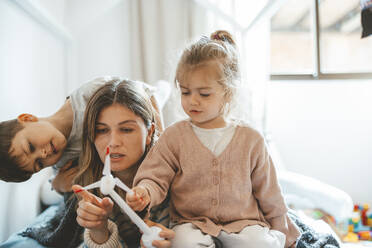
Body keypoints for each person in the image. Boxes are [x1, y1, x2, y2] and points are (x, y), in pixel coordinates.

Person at [126, 30, 300, 248]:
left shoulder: (251, 139)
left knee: (260, 242)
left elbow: (269, 192)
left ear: (228, 92)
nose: (193, 101)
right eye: (186, 92)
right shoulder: (174, 137)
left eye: (204, 94)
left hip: (245, 223)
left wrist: (282, 230)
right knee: (181, 243)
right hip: (191, 224)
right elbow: (155, 176)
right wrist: (145, 191)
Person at [0, 76, 163, 193]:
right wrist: (57, 185)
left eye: (30, 146)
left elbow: (146, 92)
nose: (44, 154)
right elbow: (62, 182)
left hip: (141, 104)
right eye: (40, 164)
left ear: (27, 119)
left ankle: (164, 87)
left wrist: (160, 140)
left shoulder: (87, 94)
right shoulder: (62, 161)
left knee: (159, 94)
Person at [71, 80, 174, 247]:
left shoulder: (174, 179)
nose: (113, 143)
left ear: (150, 133)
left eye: (126, 129)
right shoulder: (90, 190)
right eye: (102, 130)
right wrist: (99, 232)